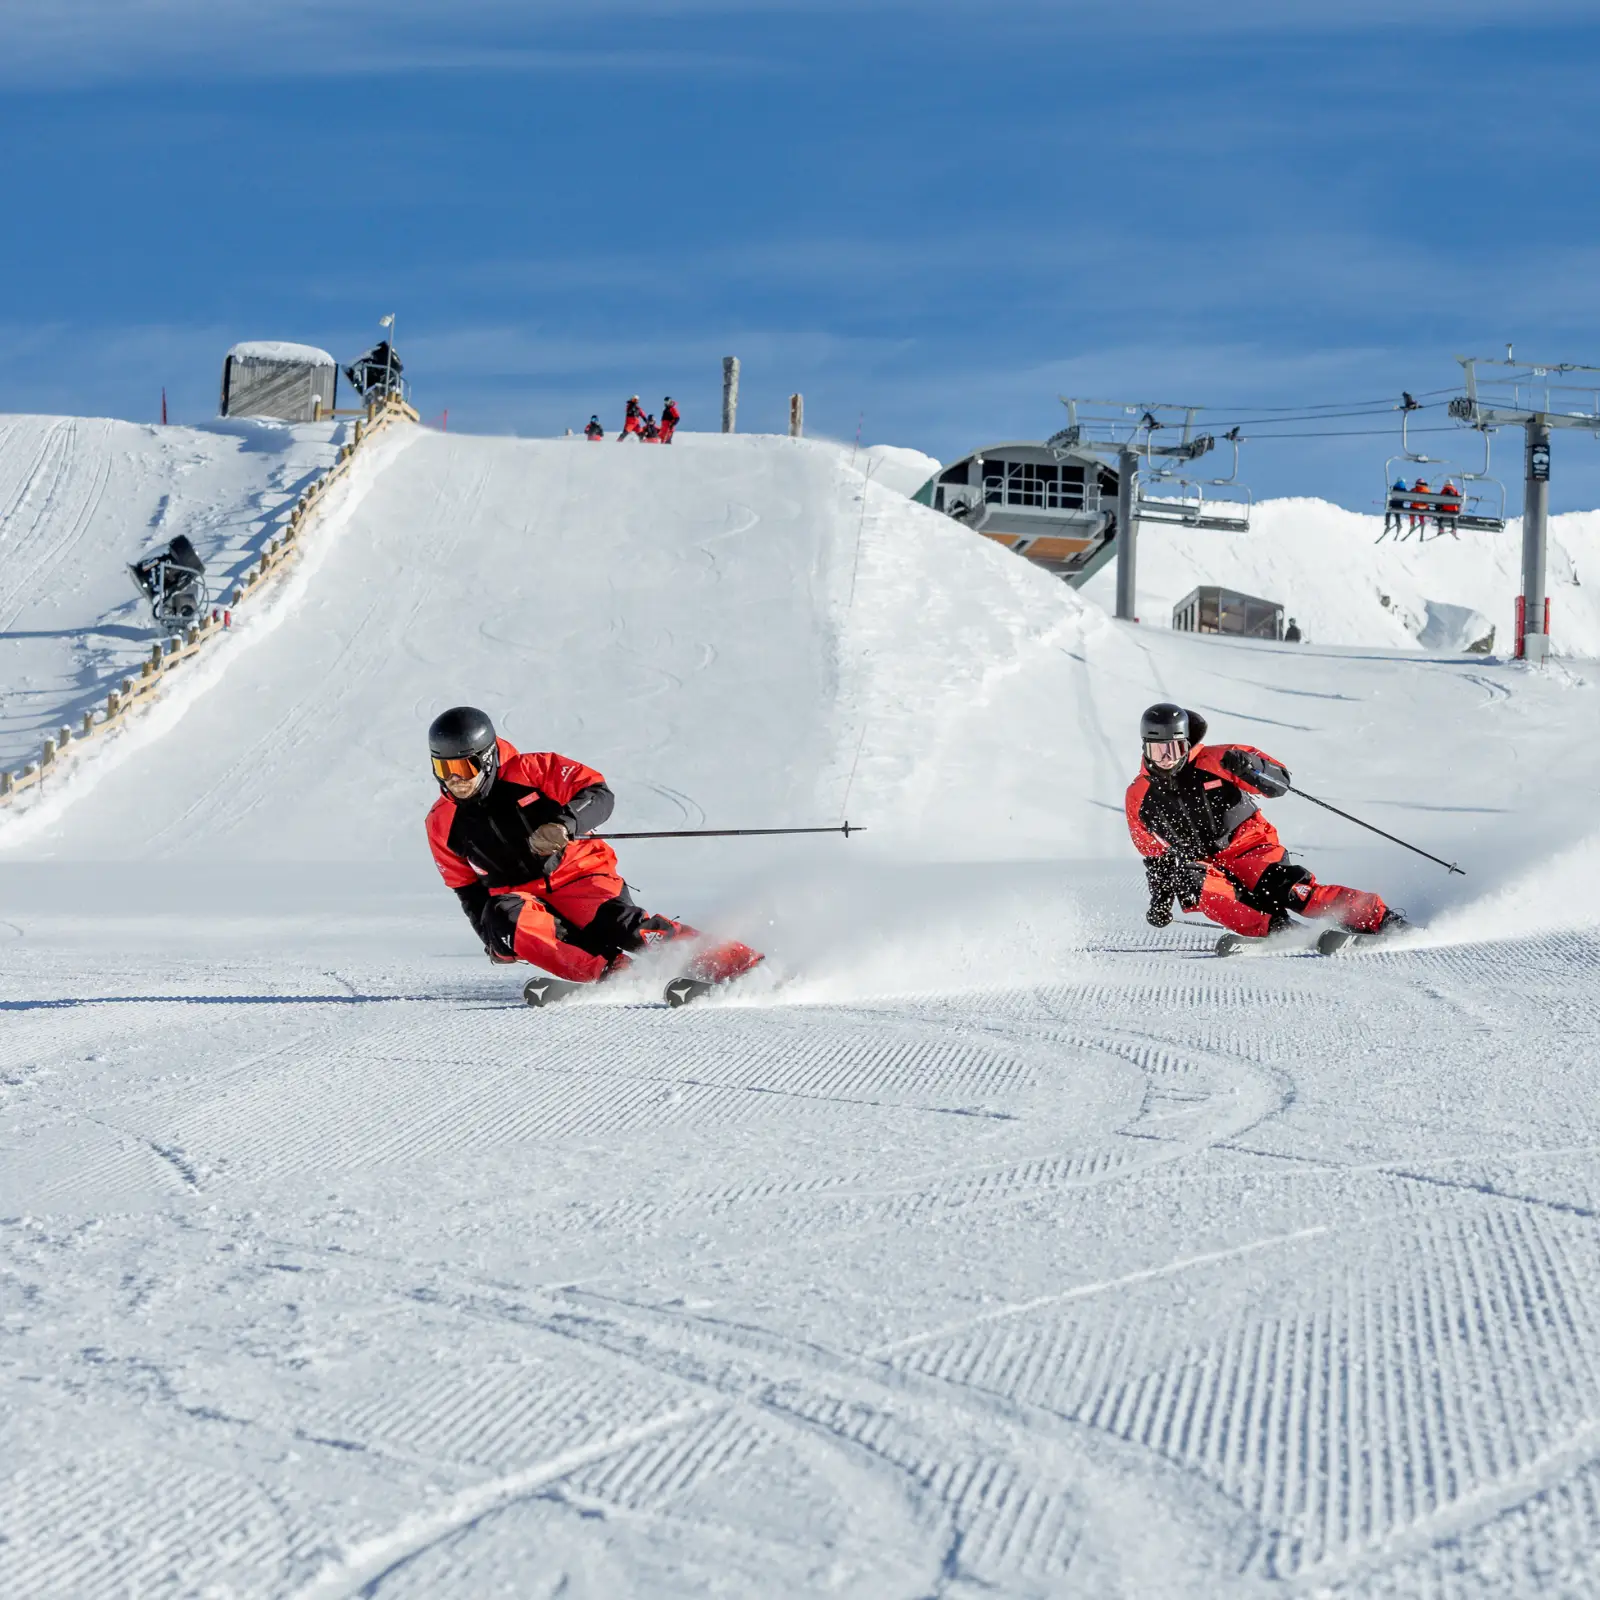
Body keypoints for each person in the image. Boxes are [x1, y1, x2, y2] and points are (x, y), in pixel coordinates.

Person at [425, 707, 761, 985]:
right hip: (524, 903)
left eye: (462, 767)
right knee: (504, 917)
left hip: (581, 880)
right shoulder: (442, 822)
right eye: (443, 768)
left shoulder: (535, 770)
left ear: (486, 758)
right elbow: (467, 890)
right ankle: (616, 975)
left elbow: (597, 794)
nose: (455, 780)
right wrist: (493, 938)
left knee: (624, 929)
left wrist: (563, 824)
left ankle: (739, 965)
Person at [1126, 703, 1404, 942]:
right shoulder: (1138, 796)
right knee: (1191, 881)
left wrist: (1252, 768)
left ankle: (1381, 919)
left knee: (1294, 893)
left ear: (1187, 744)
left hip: (1252, 850)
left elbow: (1279, 783)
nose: (1166, 759)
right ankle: (1282, 932)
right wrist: (1160, 899)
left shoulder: (1217, 759)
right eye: (1157, 751)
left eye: (1174, 749)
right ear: (1144, 748)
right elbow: (1156, 856)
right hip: (1208, 868)